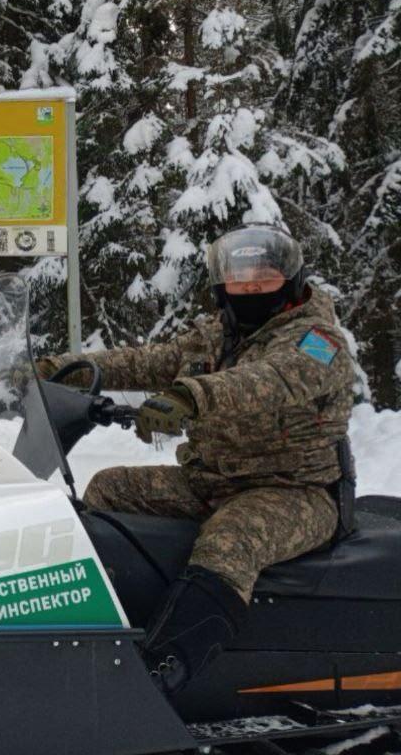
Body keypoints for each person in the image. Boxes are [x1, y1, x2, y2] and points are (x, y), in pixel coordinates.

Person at [37, 225, 356, 694]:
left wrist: (191, 396)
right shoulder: (217, 335)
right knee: (109, 488)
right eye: (239, 279)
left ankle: (160, 675)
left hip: (295, 491)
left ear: (290, 280)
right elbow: (150, 361)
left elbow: (273, 380)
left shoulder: (318, 340)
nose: (249, 289)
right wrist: (64, 368)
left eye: (263, 279)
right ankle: (112, 620)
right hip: (212, 481)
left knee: (232, 539)